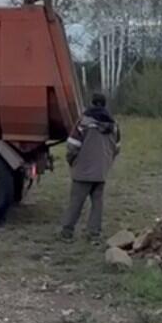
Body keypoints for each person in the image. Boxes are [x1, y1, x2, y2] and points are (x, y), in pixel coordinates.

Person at [59, 93, 121, 241]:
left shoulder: (83, 122)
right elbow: (116, 148)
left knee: (76, 202)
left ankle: (67, 232)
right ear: (105, 105)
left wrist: (72, 161)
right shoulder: (114, 125)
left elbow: (73, 146)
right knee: (97, 204)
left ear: (91, 103)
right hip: (101, 172)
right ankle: (94, 234)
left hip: (83, 171)